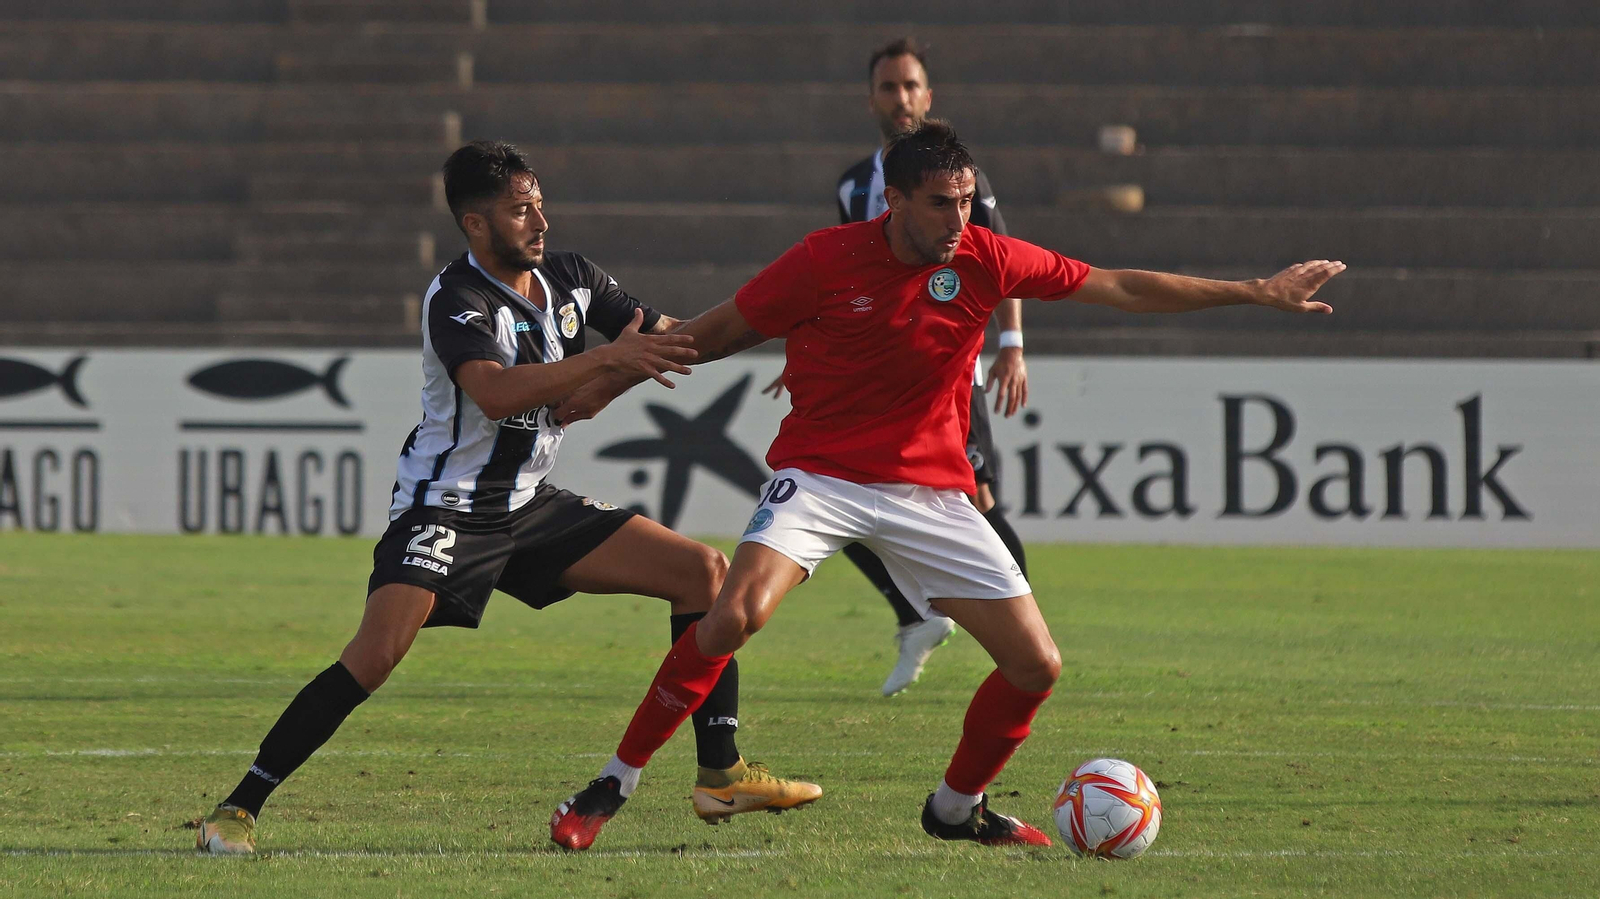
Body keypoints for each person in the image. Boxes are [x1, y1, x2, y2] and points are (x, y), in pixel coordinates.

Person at [548, 120, 1342, 850]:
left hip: (932, 493)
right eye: (940, 204)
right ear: (893, 201)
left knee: (1037, 666)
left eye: (966, 200)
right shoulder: (824, 260)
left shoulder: (985, 259)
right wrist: (610, 380)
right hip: (821, 475)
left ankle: (955, 807)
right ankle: (612, 783)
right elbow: (709, 335)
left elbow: (1121, 285)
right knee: (733, 615)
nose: (960, 219)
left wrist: (1255, 291)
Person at [194, 141, 819, 855]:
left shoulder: (572, 278)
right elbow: (492, 391)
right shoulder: (455, 298)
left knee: (703, 574)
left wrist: (781, 324)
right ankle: (239, 806)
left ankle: (721, 771)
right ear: (475, 224)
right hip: (447, 507)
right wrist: (607, 360)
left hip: (531, 505)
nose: (539, 221)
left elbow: (665, 336)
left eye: (540, 204)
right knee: (373, 655)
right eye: (520, 210)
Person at [769, 36, 1032, 697]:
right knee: (832, 489)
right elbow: (833, 279)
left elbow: (1004, 260)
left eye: (912, 86)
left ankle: (1020, 637)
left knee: (978, 500)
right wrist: (801, 355)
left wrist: (1012, 345)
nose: (902, 98)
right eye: (890, 88)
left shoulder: (956, 180)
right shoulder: (854, 185)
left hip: (943, 377)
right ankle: (921, 613)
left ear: (929, 96)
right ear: (873, 100)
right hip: (868, 382)